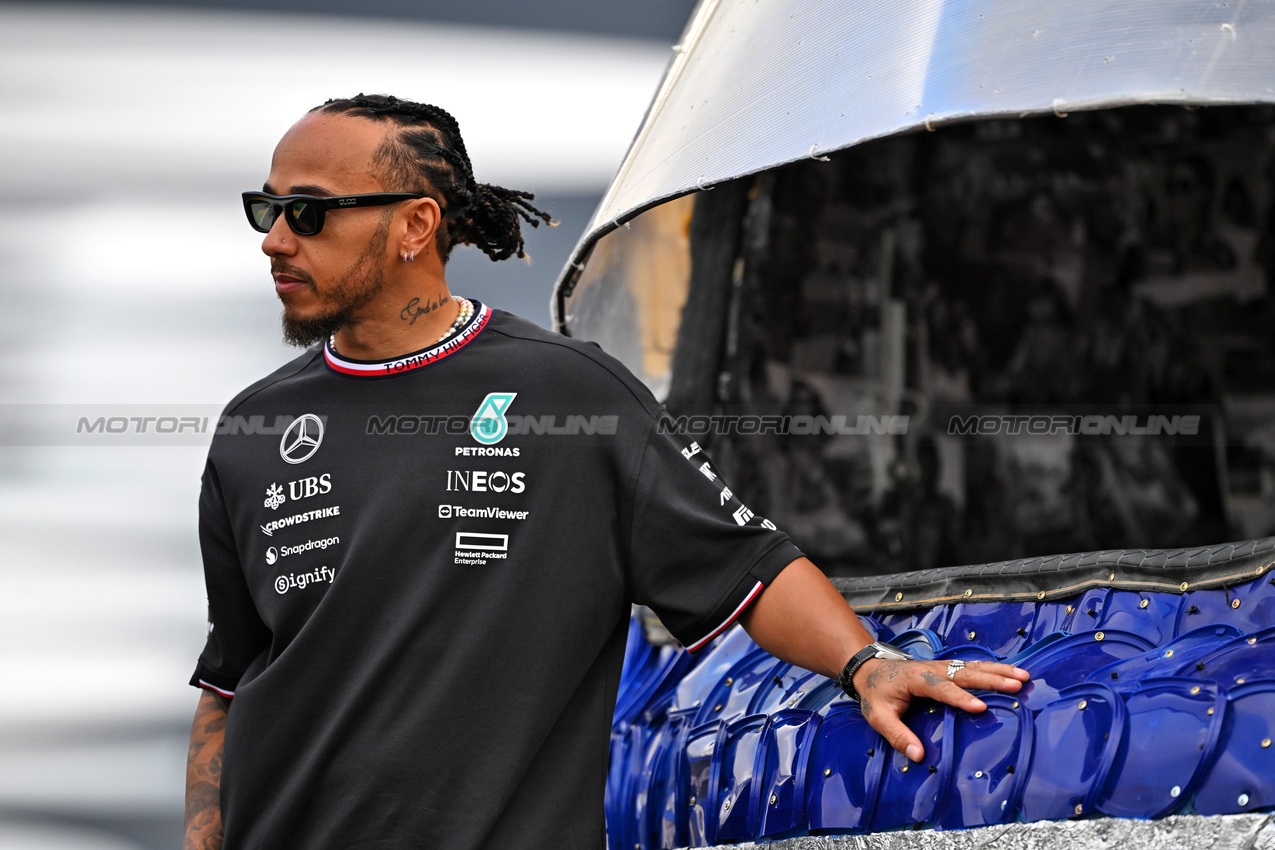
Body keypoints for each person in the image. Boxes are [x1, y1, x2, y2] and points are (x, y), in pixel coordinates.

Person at [184, 94, 1028, 850]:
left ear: (414, 225)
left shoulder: (569, 394)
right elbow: (230, 680)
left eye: (307, 212)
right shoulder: (254, 427)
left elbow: (746, 567)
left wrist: (866, 663)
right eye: (267, 207)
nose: (275, 238)